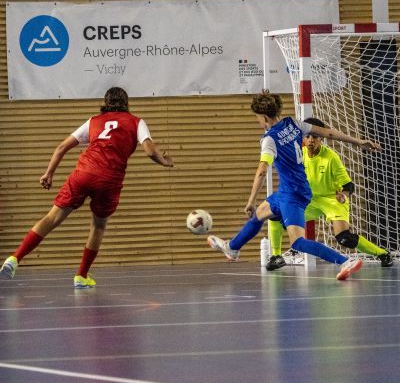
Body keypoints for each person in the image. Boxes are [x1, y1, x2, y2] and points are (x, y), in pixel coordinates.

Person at [0, 87, 173, 288]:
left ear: (105, 103)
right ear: (127, 104)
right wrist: (164, 161)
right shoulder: (136, 122)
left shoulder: (93, 121)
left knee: (52, 217)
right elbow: (150, 150)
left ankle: (14, 258)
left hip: (84, 174)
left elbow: (61, 147)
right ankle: (81, 276)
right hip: (109, 180)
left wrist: (49, 173)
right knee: (98, 226)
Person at [207, 90, 381, 281]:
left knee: (298, 242)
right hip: (293, 189)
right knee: (261, 214)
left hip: (292, 194)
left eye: (257, 117)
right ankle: (232, 248)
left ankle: (344, 261)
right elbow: (328, 133)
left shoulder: (269, 140)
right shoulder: (293, 123)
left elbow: (262, 171)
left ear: (264, 117)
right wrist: (358, 142)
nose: (258, 121)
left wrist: (250, 201)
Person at [266, 117, 393, 271]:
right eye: (307, 136)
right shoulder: (298, 155)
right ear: (302, 138)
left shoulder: (331, 157)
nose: (311, 140)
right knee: (275, 213)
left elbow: (348, 185)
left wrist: (344, 195)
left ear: (322, 138)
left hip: (333, 199)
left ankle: (382, 254)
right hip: (309, 200)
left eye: (315, 136)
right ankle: (276, 256)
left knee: (344, 238)